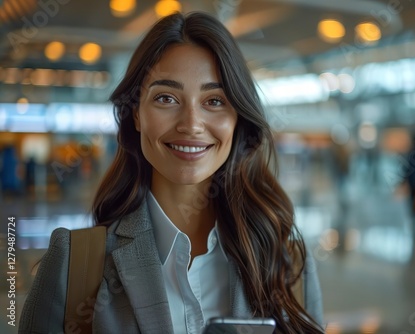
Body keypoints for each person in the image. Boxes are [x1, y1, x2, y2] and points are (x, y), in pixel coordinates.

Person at [19, 11, 324, 334]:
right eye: (166, 98)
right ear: (136, 114)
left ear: (238, 117)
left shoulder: (286, 263)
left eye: (215, 100)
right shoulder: (75, 265)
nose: (191, 124)